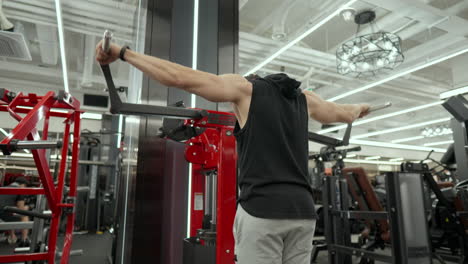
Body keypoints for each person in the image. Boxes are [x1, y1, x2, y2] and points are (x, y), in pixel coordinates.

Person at [96, 42, 369, 264]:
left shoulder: (246, 88)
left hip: (263, 212)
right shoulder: (306, 99)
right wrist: (360, 107)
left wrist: (123, 53)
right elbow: (344, 114)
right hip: (304, 213)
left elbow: (179, 77)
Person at [0, 177, 31, 246]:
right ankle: (24, 239)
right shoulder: (19, 190)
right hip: (5, 213)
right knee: (24, 216)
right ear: (22, 185)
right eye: (25, 187)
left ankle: (12, 236)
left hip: (3, 213)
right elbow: (21, 210)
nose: (25, 189)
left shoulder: (3, 187)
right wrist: (27, 207)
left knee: (11, 212)